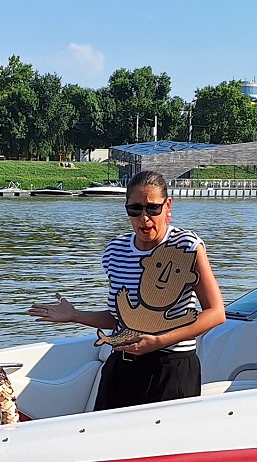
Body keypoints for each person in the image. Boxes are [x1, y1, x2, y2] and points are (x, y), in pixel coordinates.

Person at [30, 171, 226, 409]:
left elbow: (216, 313)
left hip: (171, 367)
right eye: (135, 209)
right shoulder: (116, 250)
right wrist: (75, 316)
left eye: (152, 209)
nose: (144, 218)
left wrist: (159, 341)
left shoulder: (187, 246)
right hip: (122, 367)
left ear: (168, 206)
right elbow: (121, 319)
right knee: (106, 439)